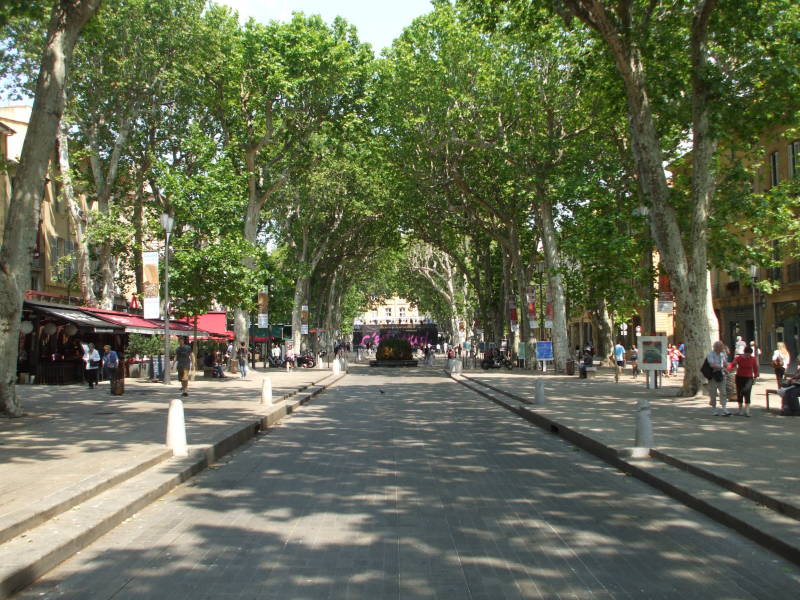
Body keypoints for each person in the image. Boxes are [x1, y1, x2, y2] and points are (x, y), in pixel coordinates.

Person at [727, 345, 759, 416]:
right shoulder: (739, 358)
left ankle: (747, 410)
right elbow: (733, 364)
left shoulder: (753, 359)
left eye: (749, 354)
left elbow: (755, 368)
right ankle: (740, 410)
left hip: (749, 377)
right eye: (747, 354)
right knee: (740, 393)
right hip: (739, 377)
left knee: (747, 392)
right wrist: (728, 369)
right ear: (744, 353)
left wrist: (756, 376)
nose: (748, 356)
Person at [706, 341, 731, 416]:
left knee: (723, 392)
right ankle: (714, 409)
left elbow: (725, 363)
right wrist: (722, 368)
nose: (722, 348)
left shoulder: (722, 354)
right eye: (721, 347)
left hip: (721, 375)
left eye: (722, 347)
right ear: (716, 347)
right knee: (713, 393)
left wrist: (727, 366)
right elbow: (711, 364)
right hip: (713, 376)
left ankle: (724, 409)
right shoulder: (710, 354)